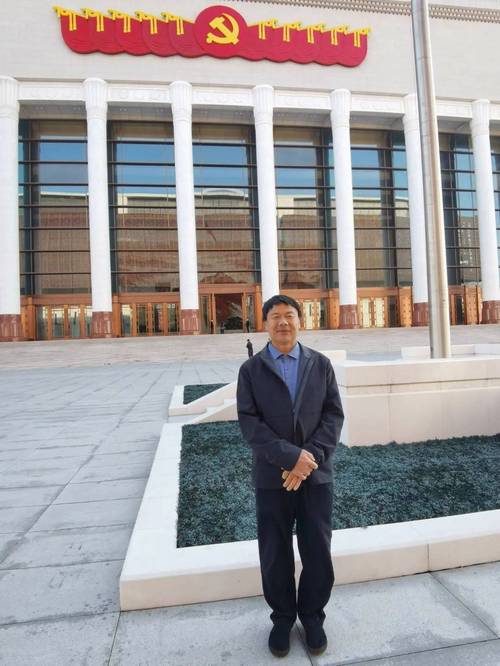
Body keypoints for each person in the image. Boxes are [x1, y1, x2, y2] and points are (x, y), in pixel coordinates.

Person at [237, 294, 344, 658]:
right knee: (274, 551)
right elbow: (250, 424)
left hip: (316, 476)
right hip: (273, 478)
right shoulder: (251, 371)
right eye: (275, 316)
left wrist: (308, 459)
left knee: (317, 550)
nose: (283, 322)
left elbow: (333, 416)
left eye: (289, 315)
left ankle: (312, 617)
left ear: (301, 321)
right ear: (265, 324)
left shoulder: (321, 364)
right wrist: (289, 458)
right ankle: (282, 619)